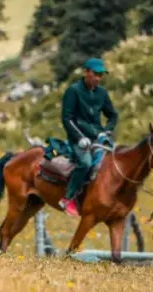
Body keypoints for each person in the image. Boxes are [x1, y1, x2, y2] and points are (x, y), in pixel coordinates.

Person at [59, 57, 119, 216]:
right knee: (85, 163)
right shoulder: (73, 91)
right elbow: (67, 118)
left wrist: (107, 130)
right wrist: (79, 138)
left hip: (99, 137)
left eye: (101, 75)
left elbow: (112, 115)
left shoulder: (102, 93)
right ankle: (68, 198)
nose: (98, 78)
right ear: (86, 72)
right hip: (79, 139)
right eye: (95, 74)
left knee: (115, 162)